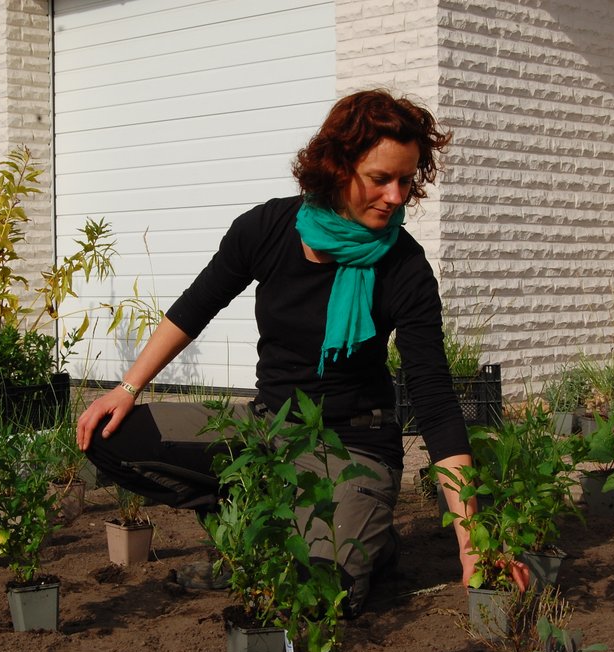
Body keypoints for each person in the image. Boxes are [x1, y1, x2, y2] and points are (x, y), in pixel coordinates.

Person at [76, 88, 526, 616]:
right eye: (381, 178)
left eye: (406, 180)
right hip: (270, 427)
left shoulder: (403, 266)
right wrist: (127, 388)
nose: (397, 195)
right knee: (111, 437)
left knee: (318, 594)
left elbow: (434, 400)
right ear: (337, 168)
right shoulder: (266, 229)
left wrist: (473, 542)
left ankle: (361, 539)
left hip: (355, 446)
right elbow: (194, 309)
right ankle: (255, 540)